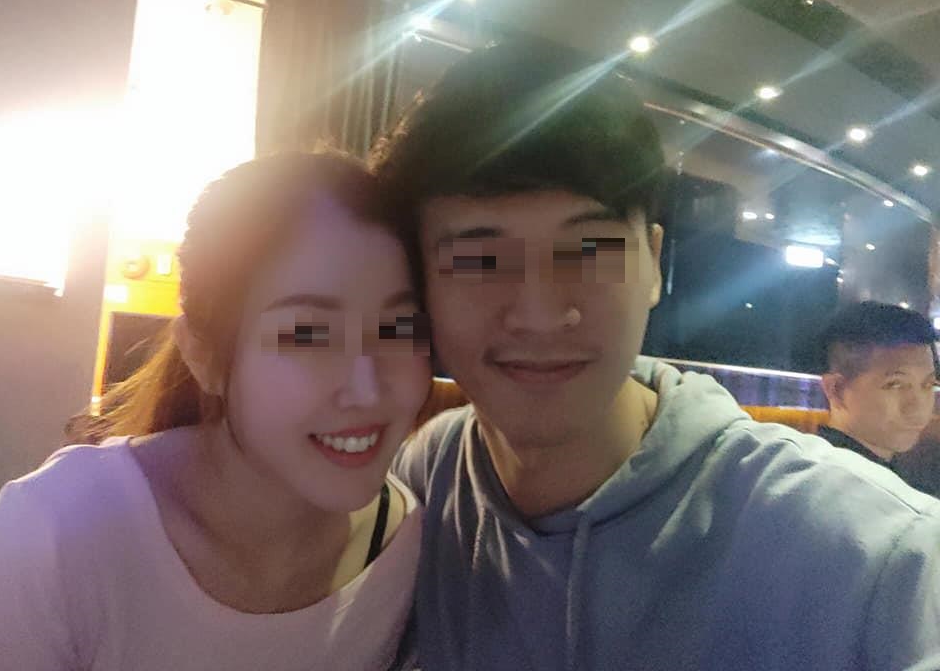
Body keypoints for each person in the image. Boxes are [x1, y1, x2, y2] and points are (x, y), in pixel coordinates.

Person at [370, 40, 940, 671]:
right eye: (479, 259)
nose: (537, 312)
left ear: (653, 263)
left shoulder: (878, 556)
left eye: (589, 249)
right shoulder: (430, 476)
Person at [0, 151, 431, 670]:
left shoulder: (409, 547)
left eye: (400, 329)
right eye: (309, 335)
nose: (367, 388)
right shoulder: (54, 534)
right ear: (203, 356)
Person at [818, 301, 939, 496]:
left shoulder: (898, 476)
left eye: (928, 384)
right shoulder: (829, 486)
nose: (918, 407)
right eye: (896, 385)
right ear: (837, 390)